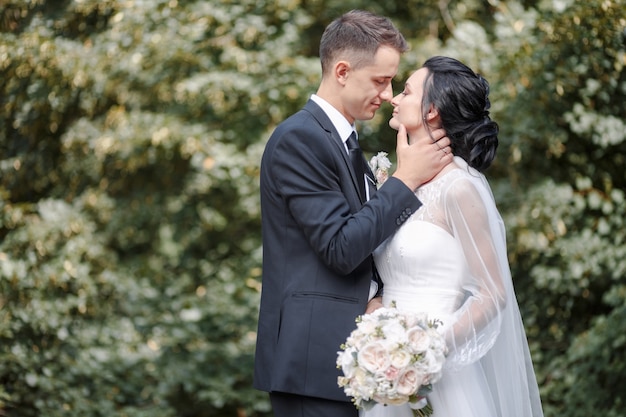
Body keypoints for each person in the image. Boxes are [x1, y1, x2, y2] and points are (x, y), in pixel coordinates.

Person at [253, 11, 453, 417]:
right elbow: (340, 247)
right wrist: (405, 180)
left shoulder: (343, 141)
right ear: (342, 71)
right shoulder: (300, 139)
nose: (388, 93)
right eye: (380, 80)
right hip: (313, 362)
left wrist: (377, 295)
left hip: (349, 361)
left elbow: (362, 243)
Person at [362, 56, 544, 417]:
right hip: (384, 369)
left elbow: (493, 295)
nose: (394, 99)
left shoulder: (459, 188)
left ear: (431, 110)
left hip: (440, 372)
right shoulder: (395, 185)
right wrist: (375, 316)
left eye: (407, 91)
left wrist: (426, 351)